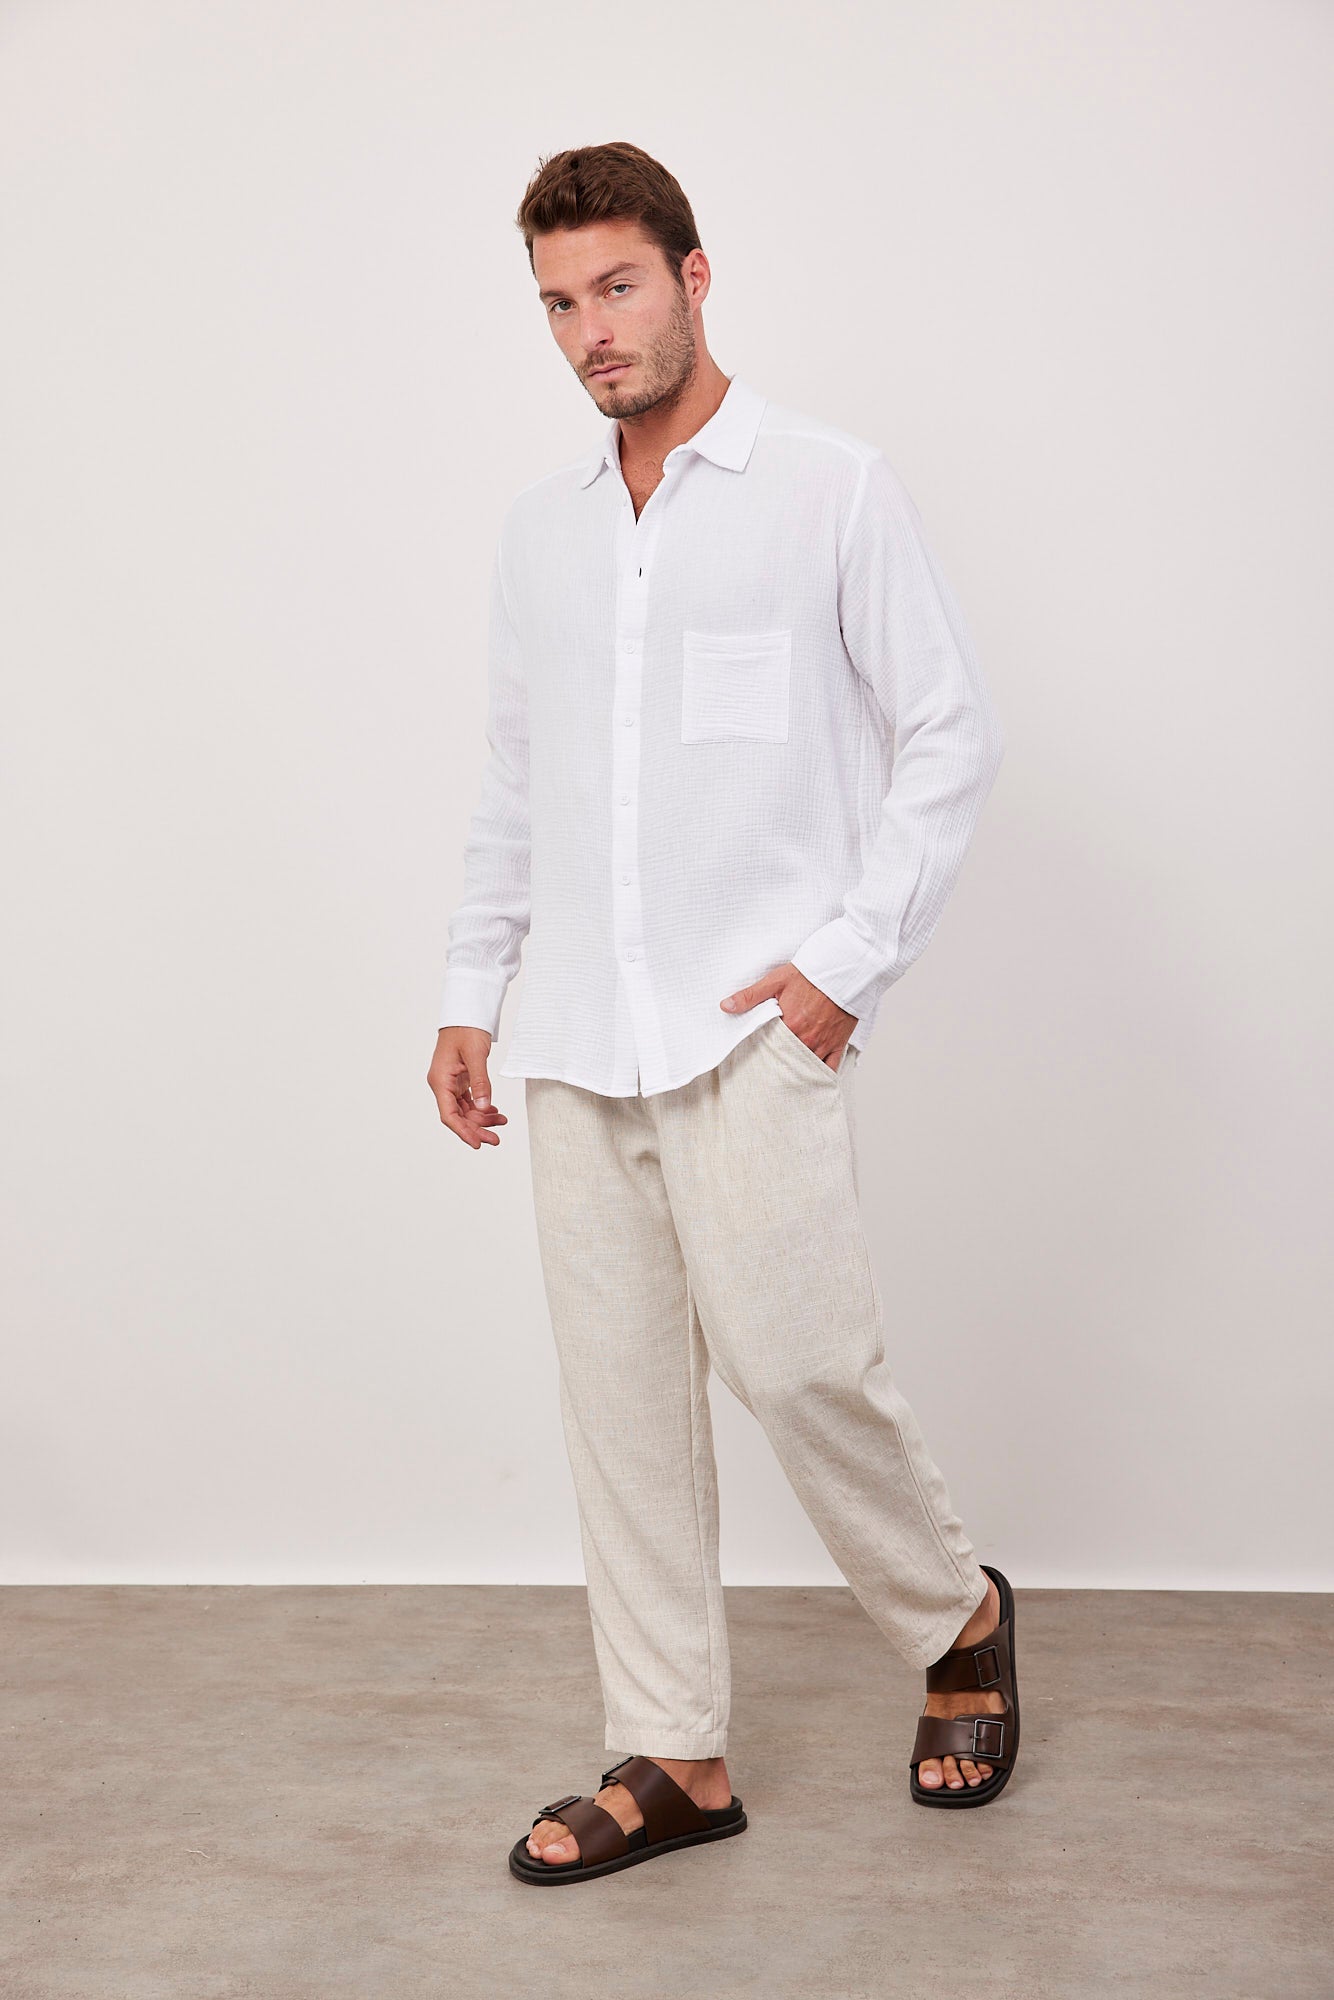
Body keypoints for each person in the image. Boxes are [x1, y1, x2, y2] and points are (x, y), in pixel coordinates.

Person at [427, 141, 1020, 1885]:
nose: (589, 332)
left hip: (748, 1026)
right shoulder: (541, 533)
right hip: (573, 1036)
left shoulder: (829, 488)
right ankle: (675, 1753)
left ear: (693, 277)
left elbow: (949, 733)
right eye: (557, 304)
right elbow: (513, 785)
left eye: (615, 287)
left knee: (797, 1364)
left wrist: (846, 964)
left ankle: (956, 1614)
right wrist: (470, 989)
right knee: (620, 1409)